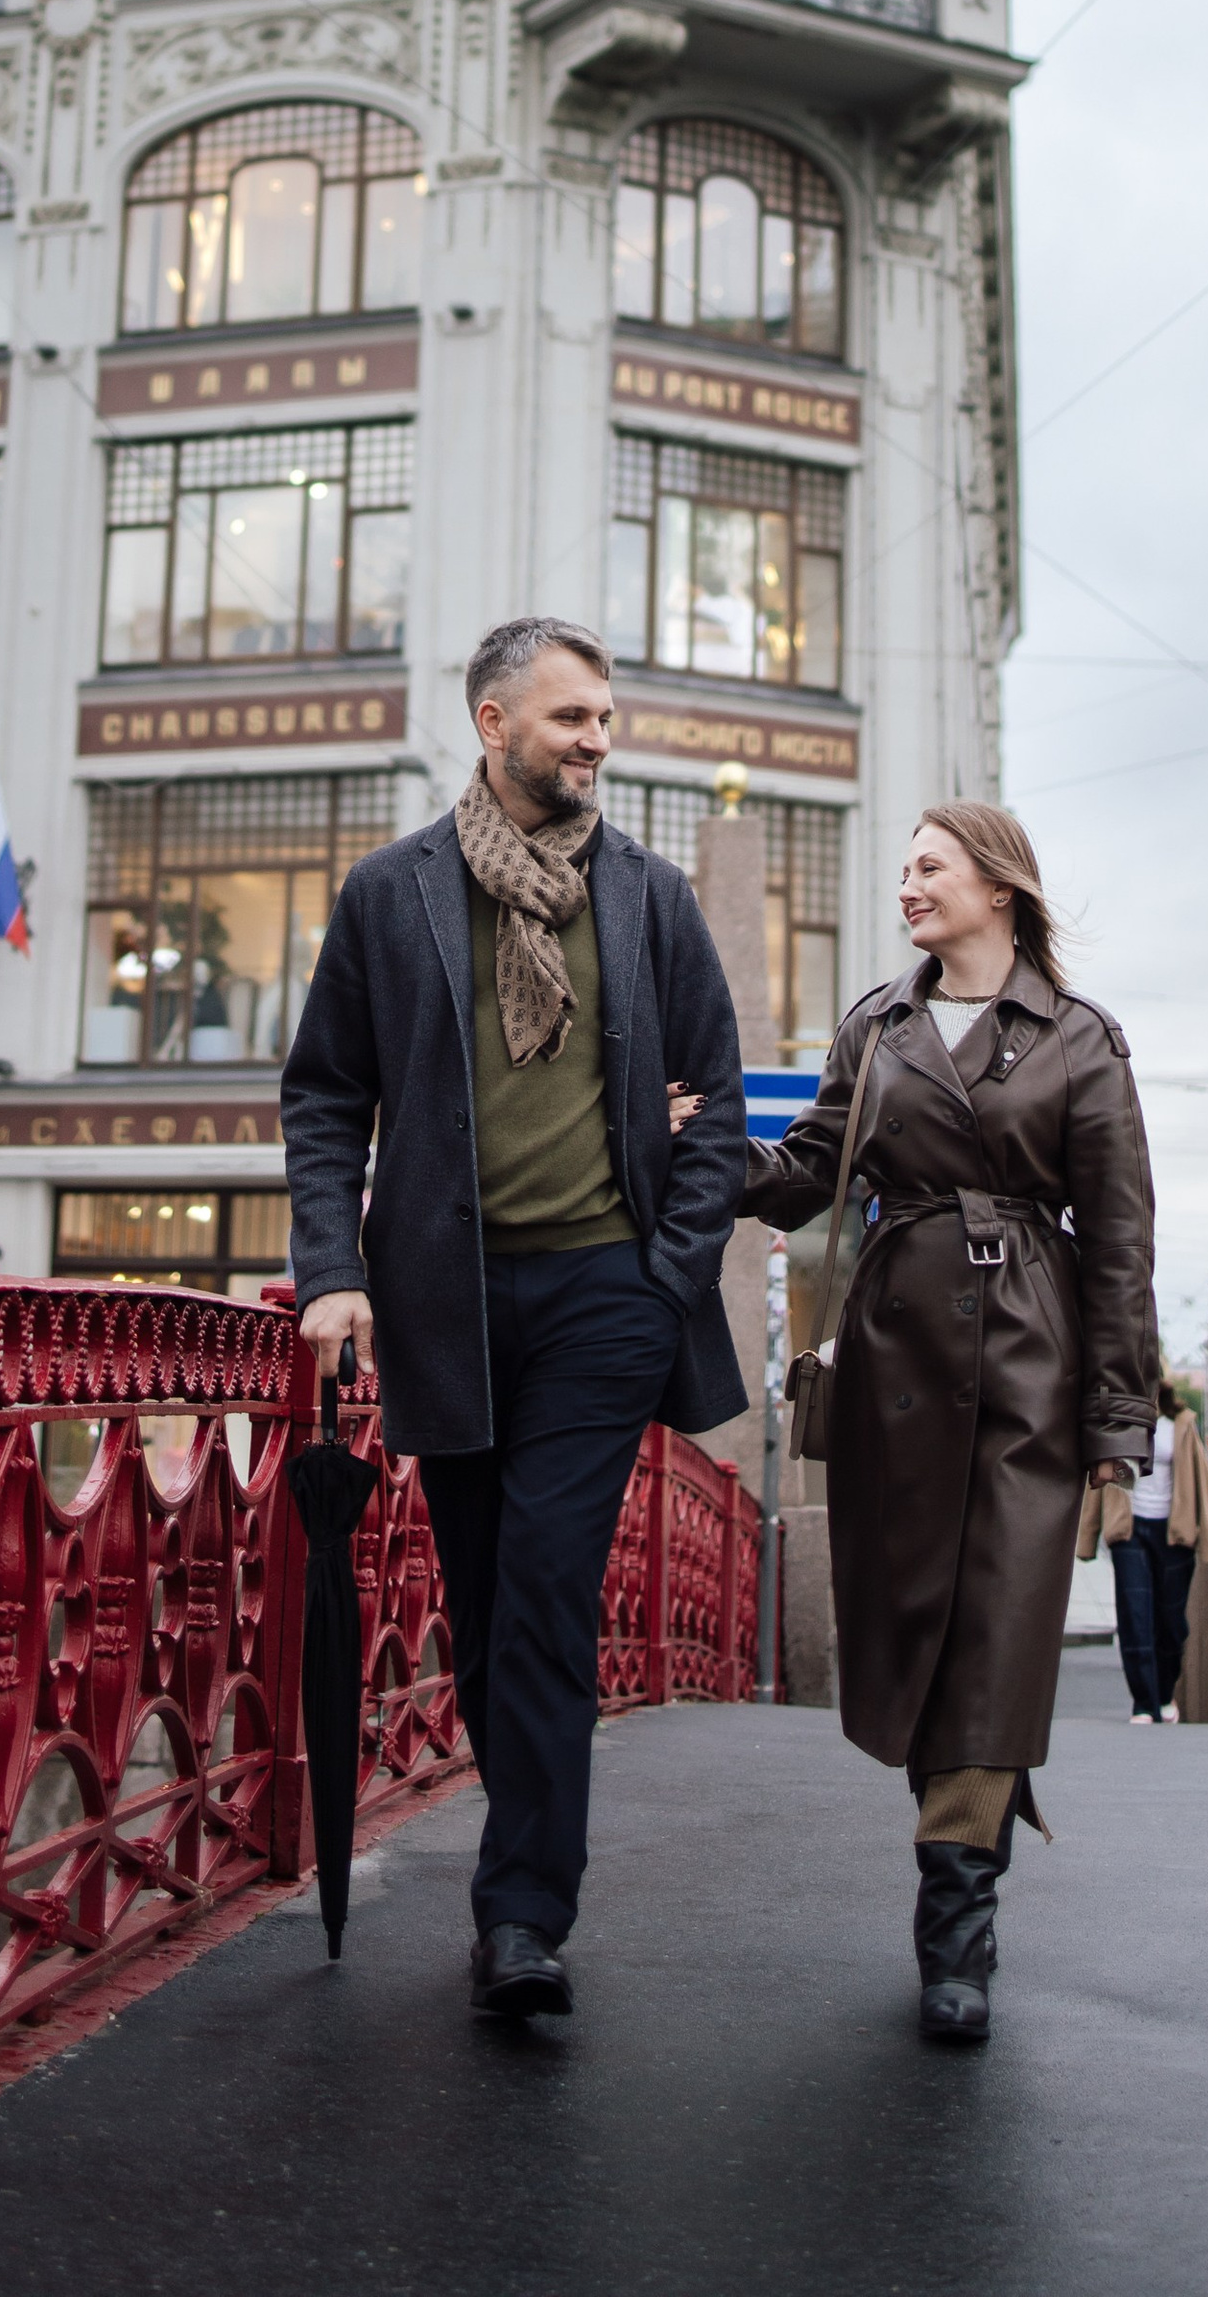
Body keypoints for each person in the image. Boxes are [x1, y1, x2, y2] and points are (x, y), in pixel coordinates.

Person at [281, 616, 747, 2021]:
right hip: (445, 1300)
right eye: (570, 718)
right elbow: (323, 1099)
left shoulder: (652, 900)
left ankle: (523, 1913)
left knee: (544, 1590)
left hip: (606, 1294)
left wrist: (665, 1272)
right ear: (492, 723)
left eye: (605, 718)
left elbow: (717, 1106)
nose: (596, 740)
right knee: (482, 1603)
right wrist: (330, 1271)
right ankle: (519, 1873)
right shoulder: (392, 896)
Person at [733, 800, 1156, 2042]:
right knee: (913, 1621)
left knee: (996, 1629)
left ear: (998, 888)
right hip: (891, 1360)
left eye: (929, 868)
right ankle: (954, 1846)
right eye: (906, 870)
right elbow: (810, 1167)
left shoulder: (1081, 1040)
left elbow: (1122, 1247)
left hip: (1030, 1358)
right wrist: (691, 1157)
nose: (907, 887)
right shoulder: (878, 1024)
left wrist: (1117, 1434)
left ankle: (956, 1926)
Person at [1079, 1374, 1208, 1721]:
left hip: (1174, 1533)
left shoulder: (1182, 1423)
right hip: (1129, 1529)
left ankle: (1163, 1696)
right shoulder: (1120, 1423)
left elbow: (1203, 1480)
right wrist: (1087, 1535)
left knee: (1171, 1624)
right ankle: (1144, 1704)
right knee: (1135, 1618)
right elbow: (1097, 1480)